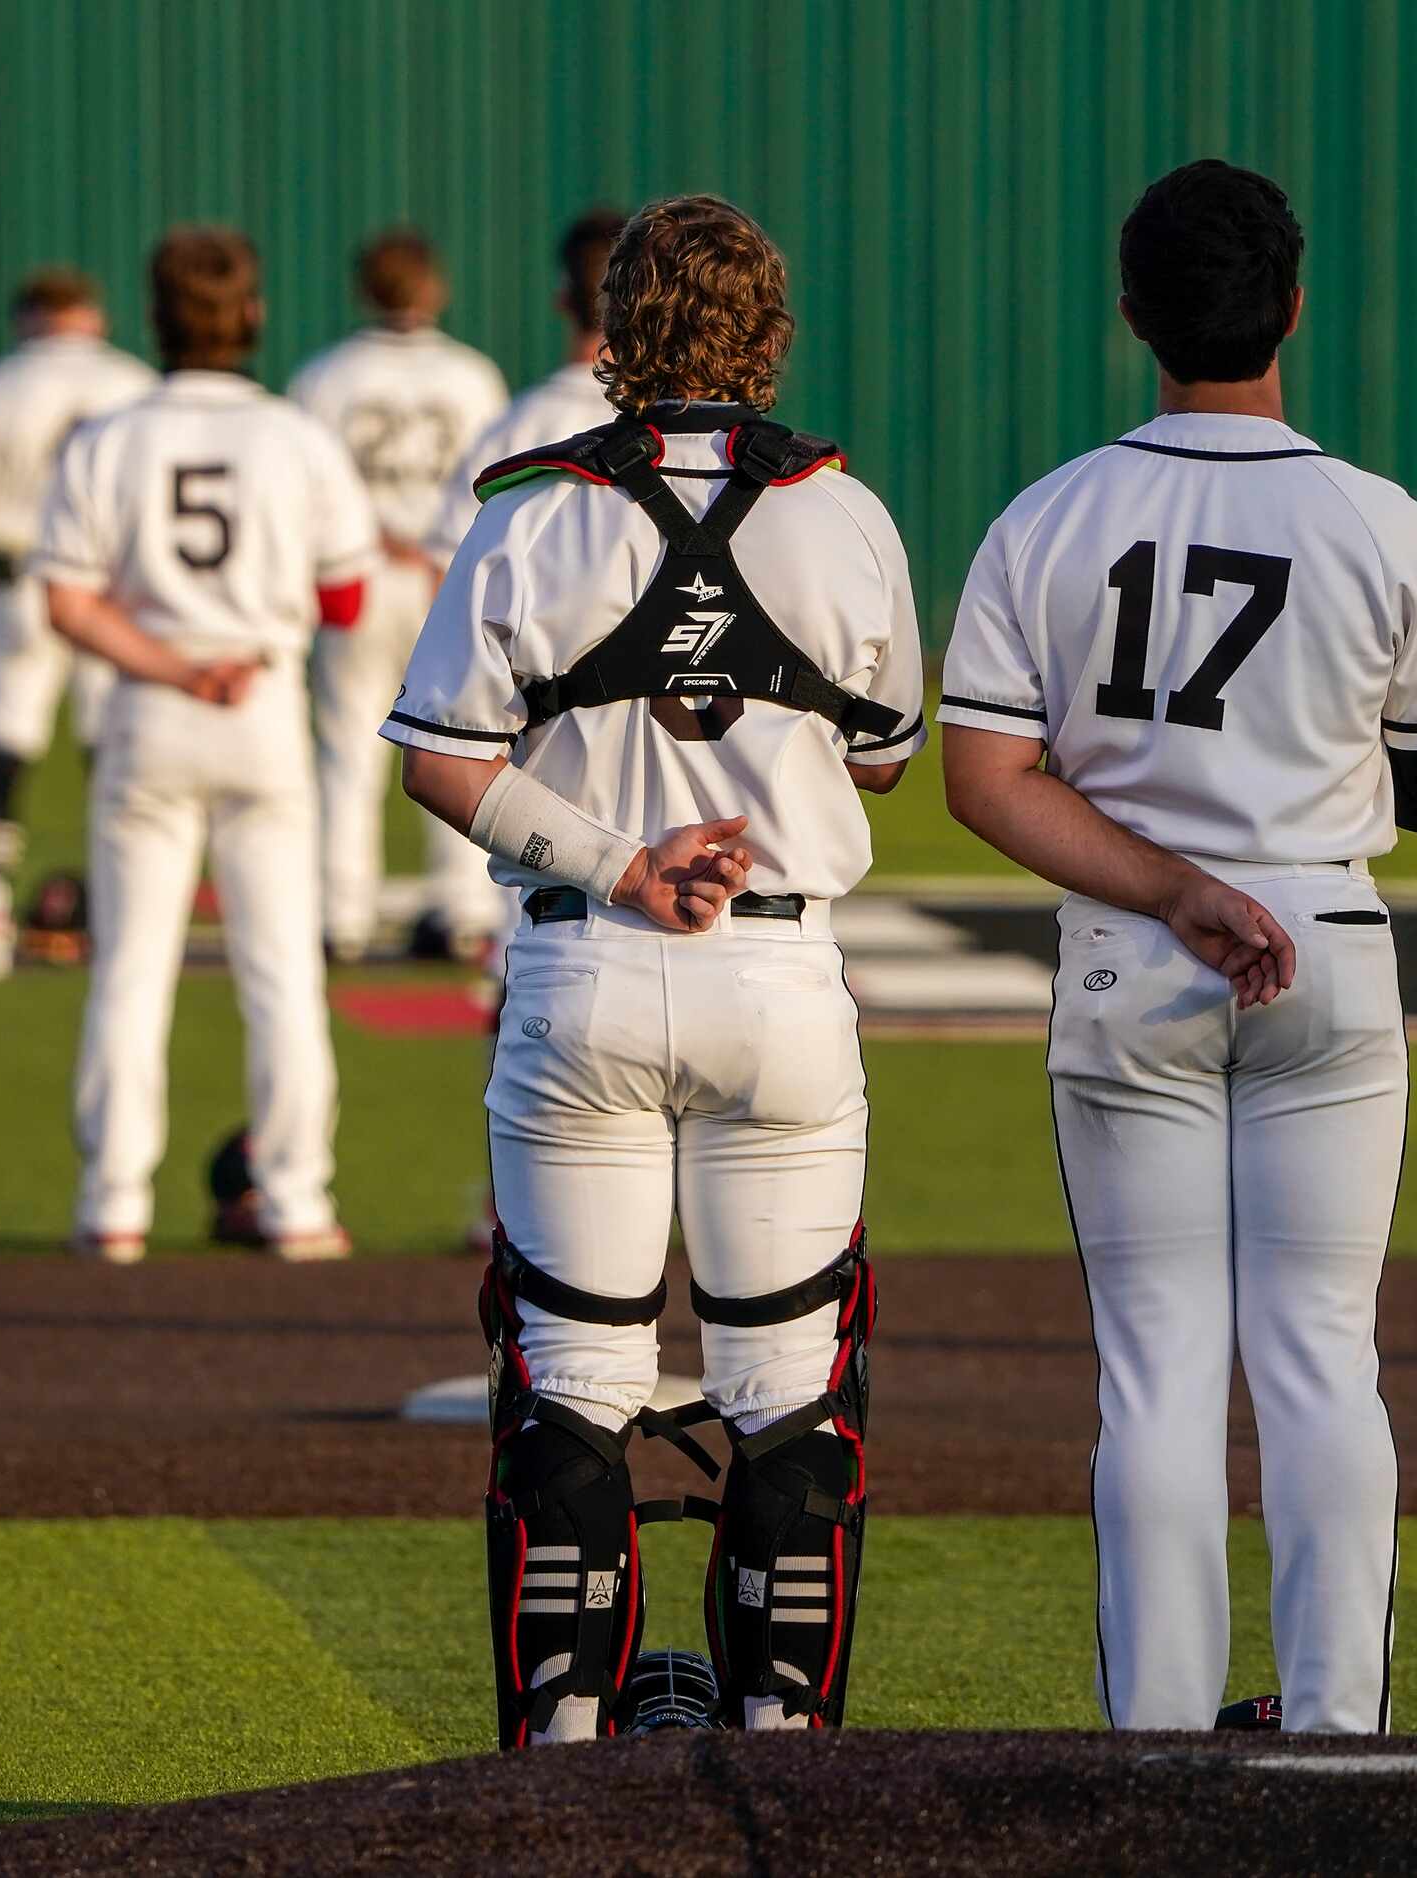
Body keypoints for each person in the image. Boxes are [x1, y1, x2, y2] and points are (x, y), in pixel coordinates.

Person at [939, 159, 1417, 1733]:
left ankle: (1162, 1735)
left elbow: (988, 782)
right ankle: (1335, 1725)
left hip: (1132, 949)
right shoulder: (1380, 519)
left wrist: (1173, 874)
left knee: (1159, 1366)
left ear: (1133, 318)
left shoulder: (1050, 514)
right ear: (1294, 310)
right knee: (1323, 1351)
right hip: (1323, 931)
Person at [389, 195, 925, 1746]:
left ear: (616, 333)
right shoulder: (848, 513)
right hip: (780, 985)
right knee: (793, 1402)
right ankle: (781, 1748)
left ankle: (560, 1755)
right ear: (769, 336)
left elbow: (441, 763)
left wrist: (625, 857)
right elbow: (883, 757)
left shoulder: (531, 511)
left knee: (568, 1383)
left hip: (586, 975)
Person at [33, 225, 379, 1265]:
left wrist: (175, 663)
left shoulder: (107, 437)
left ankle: (113, 1204)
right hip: (259, 705)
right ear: (253, 316)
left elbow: (66, 601)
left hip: (150, 706)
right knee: (280, 975)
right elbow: (350, 593)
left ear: (155, 317)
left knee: (132, 972)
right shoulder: (295, 436)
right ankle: (296, 1202)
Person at [411, 205, 629, 963]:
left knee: (539, 949)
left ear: (562, 301)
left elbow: (452, 570)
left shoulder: (516, 425)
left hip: (544, 722)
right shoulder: (697, 435)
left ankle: (460, 911)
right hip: (685, 729)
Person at [287, 228, 508, 964]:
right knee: (460, 739)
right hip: (445, 572)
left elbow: (305, 492)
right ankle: (462, 909)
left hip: (360, 568)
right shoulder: (473, 377)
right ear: (433, 289)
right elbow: (497, 486)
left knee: (348, 747)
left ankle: (339, 916)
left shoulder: (324, 376)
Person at [0, 268, 157, 981]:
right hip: (107, 593)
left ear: (27, 319)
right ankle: (116, 912)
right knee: (109, 754)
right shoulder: (133, 383)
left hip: (19, 582)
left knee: (5, 752)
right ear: (91, 317)